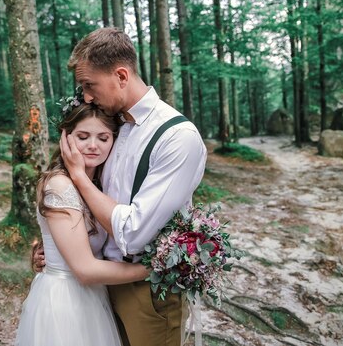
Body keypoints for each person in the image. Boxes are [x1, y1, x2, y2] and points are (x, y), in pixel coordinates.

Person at [36, 27, 207, 346]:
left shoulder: (176, 138)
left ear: (121, 75)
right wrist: (60, 246)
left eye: (90, 85)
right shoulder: (113, 124)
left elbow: (132, 234)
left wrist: (78, 178)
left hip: (147, 293)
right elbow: (88, 203)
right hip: (98, 288)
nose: (85, 96)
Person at [15, 101, 149, 346]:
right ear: (66, 138)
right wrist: (153, 270)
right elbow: (85, 270)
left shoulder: (98, 185)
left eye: (103, 137)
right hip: (65, 301)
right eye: (83, 136)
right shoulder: (60, 185)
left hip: (94, 298)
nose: (93, 146)